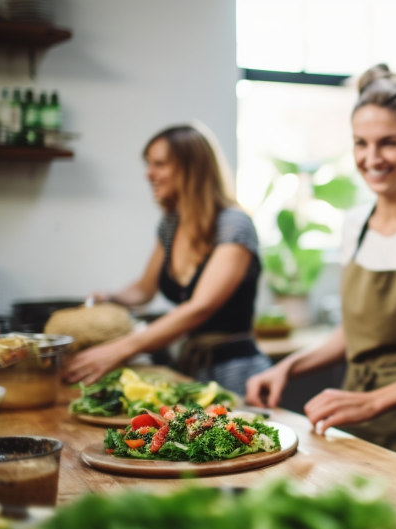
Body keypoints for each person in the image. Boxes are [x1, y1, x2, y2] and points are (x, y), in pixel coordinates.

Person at [245, 64, 396, 480]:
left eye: (388, 143)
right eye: (361, 144)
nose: (372, 159)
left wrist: (377, 401)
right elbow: (357, 331)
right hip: (354, 423)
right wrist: (289, 366)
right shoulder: (354, 223)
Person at [62, 123, 271, 396]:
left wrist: (118, 349)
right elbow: (143, 289)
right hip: (192, 370)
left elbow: (200, 307)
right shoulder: (171, 225)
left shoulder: (234, 224)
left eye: (159, 164)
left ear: (191, 169)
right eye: (148, 164)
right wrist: (111, 297)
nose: (149, 174)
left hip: (238, 372)